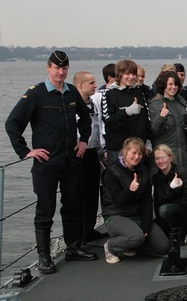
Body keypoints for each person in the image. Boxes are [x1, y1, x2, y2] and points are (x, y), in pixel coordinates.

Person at [5, 51, 98, 274]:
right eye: (56, 68)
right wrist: (25, 151)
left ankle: (73, 247)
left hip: (71, 160)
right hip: (46, 162)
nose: (61, 72)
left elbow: (85, 119)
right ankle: (44, 257)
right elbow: (13, 123)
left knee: (73, 205)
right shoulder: (36, 94)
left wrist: (84, 140)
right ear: (48, 68)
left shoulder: (71, 92)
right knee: (45, 210)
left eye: (64, 68)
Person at [102, 137, 169, 264]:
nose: (137, 156)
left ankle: (130, 244)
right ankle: (111, 246)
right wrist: (130, 190)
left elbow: (147, 201)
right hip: (116, 215)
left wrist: (146, 225)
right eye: (134, 153)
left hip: (136, 215)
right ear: (125, 152)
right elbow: (118, 201)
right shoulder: (111, 172)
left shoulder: (143, 170)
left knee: (163, 247)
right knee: (136, 237)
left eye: (140, 153)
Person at [73, 71, 104, 246]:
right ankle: (78, 235)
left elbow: (97, 128)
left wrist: (100, 151)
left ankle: (89, 230)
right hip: (79, 154)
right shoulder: (73, 107)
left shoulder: (92, 103)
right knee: (79, 195)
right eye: (91, 83)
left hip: (92, 152)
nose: (95, 85)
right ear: (80, 85)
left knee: (92, 194)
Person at [102, 59, 151, 164]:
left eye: (133, 74)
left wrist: (147, 141)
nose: (131, 77)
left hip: (139, 147)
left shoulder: (138, 92)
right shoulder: (109, 94)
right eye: (127, 73)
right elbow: (109, 121)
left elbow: (146, 118)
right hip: (118, 148)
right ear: (119, 74)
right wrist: (126, 112)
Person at [149, 70, 187, 170]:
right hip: (165, 155)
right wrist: (161, 117)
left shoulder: (182, 102)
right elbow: (154, 131)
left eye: (176, 84)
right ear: (163, 85)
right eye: (170, 84)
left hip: (183, 155)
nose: (174, 87)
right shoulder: (155, 104)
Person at [152, 144, 187, 238]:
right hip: (166, 212)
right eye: (157, 158)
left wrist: (172, 204)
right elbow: (158, 201)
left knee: (165, 209)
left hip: (185, 211)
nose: (160, 161)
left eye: (163, 157)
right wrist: (171, 188)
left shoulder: (182, 171)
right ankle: (172, 230)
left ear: (170, 157)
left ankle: (183, 229)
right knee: (153, 226)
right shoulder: (156, 177)